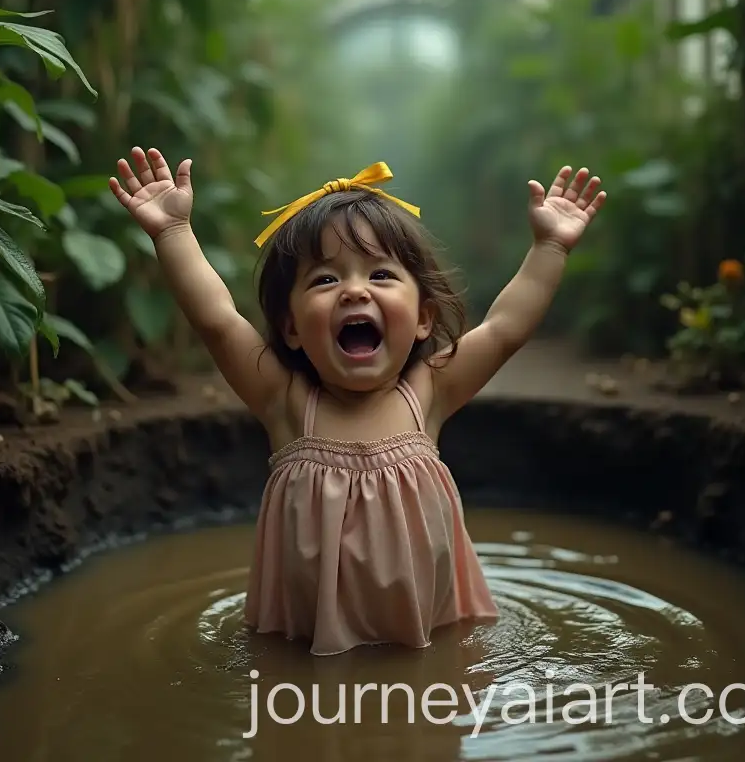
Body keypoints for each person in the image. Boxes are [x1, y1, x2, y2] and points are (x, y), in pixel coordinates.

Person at [109, 148, 606, 656]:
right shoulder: (284, 400)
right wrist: (172, 233)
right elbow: (217, 320)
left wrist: (550, 247)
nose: (354, 291)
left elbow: (504, 329)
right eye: (325, 279)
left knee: (429, 703)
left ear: (423, 320)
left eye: (381, 275)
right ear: (292, 328)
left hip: (424, 641)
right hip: (305, 648)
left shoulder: (430, 392)